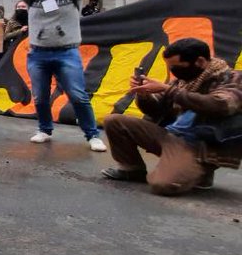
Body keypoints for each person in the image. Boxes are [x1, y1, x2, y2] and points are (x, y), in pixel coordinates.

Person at [0, 0, 106, 152]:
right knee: (40, 97)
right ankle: (45, 129)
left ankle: (92, 135)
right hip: (37, 55)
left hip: (67, 53)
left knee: (78, 95)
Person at [102, 38, 241, 195]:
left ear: (200, 61)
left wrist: (167, 89)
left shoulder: (232, 78)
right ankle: (132, 169)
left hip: (202, 145)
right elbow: (156, 110)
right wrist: (143, 95)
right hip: (172, 135)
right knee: (114, 121)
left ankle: (200, 171)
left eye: (176, 67)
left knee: (163, 185)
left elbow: (221, 105)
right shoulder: (184, 80)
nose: (173, 71)